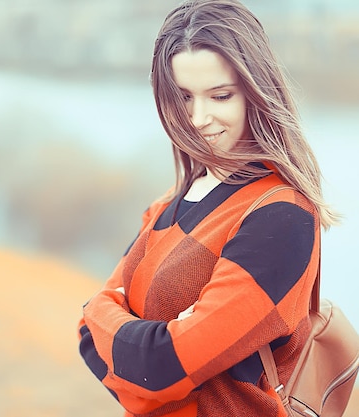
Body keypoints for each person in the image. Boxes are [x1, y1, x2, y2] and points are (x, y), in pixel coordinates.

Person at [77, 0, 339, 416]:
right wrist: (116, 327)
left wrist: (104, 315)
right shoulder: (169, 202)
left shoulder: (280, 216)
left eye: (220, 95)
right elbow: (87, 338)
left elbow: (157, 367)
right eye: (183, 97)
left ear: (257, 91)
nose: (198, 118)